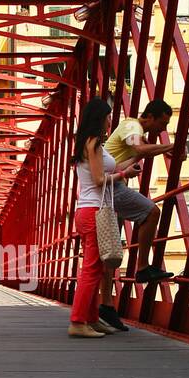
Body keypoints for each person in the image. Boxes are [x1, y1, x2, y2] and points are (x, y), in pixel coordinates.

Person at [97, 99, 175, 330]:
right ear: (149, 116)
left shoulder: (136, 132)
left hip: (105, 188)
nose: (163, 129)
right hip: (110, 186)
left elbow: (142, 150)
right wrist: (170, 147)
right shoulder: (133, 126)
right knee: (151, 212)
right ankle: (142, 267)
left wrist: (167, 151)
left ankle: (106, 307)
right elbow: (141, 150)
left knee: (110, 253)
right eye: (162, 123)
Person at [68, 97, 139, 338]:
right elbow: (100, 181)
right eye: (109, 116)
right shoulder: (95, 142)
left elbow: (111, 166)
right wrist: (124, 175)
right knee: (91, 269)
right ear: (101, 118)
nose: (111, 120)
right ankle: (78, 321)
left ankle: (91, 319)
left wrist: (134, 160)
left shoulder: (88, 143)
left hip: (88, 210)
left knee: (96, 268)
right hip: (94, 211)